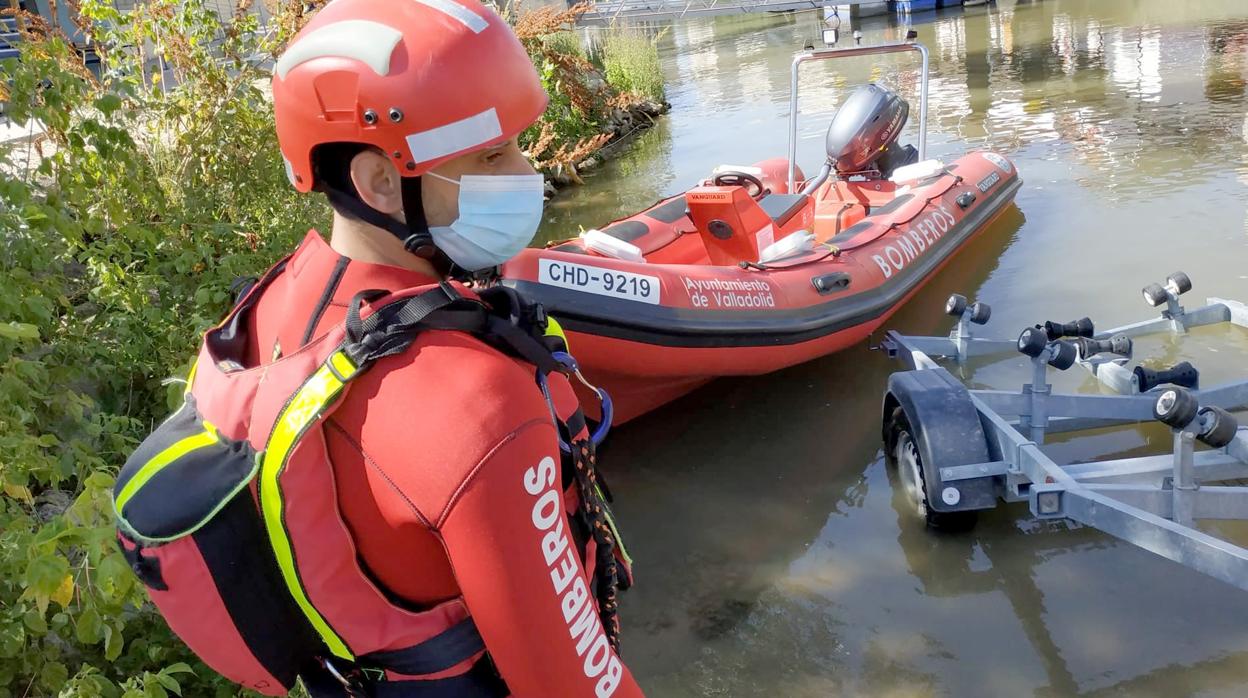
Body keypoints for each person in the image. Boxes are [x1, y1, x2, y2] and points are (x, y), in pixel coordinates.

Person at [115, 0, 641, 695]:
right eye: (492, 154)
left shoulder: (267, 309)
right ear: (380, 182)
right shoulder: (481, 405)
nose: (525, 168)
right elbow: (574, 685)